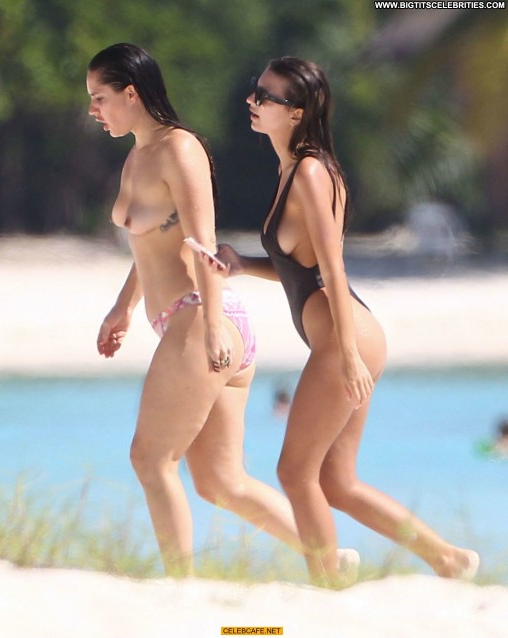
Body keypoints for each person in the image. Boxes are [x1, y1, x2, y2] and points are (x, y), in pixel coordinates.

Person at [86, 44, 357, 579]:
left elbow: (202, 241)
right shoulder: (138, 155)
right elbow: (152, 244)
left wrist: (211, 325)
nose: (93, 109)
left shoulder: (180, 149)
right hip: (191, 321)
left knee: (150, 459)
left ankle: (179, 586)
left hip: (203, 317)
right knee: (219, 482)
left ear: (130, 94)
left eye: (100, 97)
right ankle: (330, 557)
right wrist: (122, 307)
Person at [212, 56, 480, 587]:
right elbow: (301, 267)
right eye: (254, 90)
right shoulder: (292, 168)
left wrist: (350, 356)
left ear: (297, 111)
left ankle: (326, 584)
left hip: (345, 338)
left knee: (294, 472)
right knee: (335, 481)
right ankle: (449, 559)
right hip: (347, 335)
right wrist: (243, 264)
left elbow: (332, 266)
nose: (252, 101)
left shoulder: (311, 172)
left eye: (265, 96)